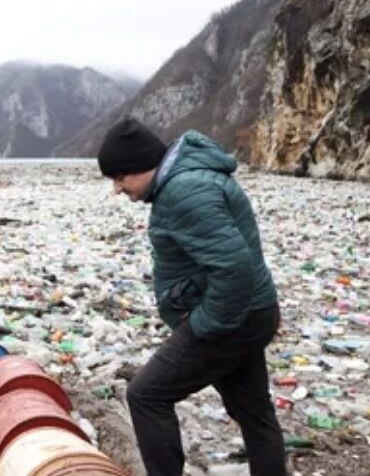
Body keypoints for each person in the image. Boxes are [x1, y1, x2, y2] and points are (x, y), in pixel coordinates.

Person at [97, 117, 286, 476]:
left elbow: (234, 268)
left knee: (146, 395)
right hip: (252, 310)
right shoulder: (191, 178)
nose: (117, 190)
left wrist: (204, 324)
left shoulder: (182, 192)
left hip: (231, 318)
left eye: (120, 178)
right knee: (254, 412)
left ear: (140, 166)